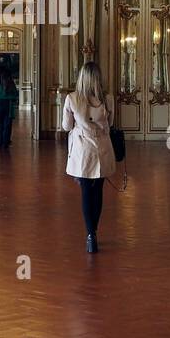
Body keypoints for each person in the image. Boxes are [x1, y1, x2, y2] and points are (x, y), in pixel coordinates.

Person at [62, 61, 116, 254]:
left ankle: (90, 234)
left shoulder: (72, 98)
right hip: (102, 149)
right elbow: (110, 123)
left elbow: (66, 126)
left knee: (86, 192)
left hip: (83, 151)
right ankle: (95, 230)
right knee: (98, 192)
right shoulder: (107, 99)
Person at [0, 64, 18, 148]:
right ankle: (5, 142)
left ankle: (0, 141)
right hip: (8, 105)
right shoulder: (11, 83)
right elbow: (15, 94)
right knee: (7, 125)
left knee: (0, 123)